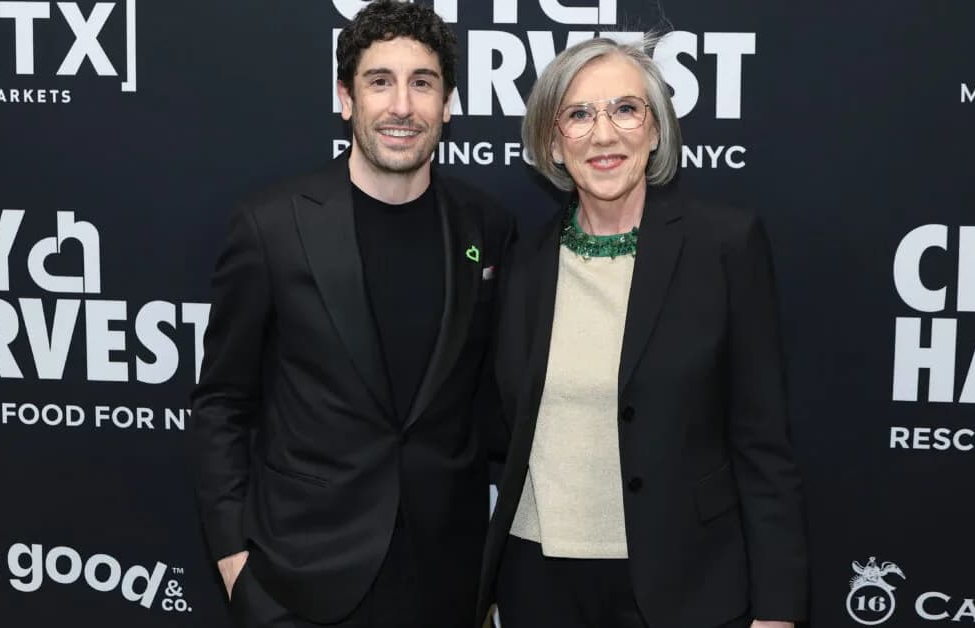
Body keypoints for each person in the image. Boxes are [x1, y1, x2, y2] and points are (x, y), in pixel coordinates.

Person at [190, 2, 513, 626]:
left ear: (447, 105)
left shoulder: (487, 227)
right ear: (346, 98)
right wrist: (236, 567)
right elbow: (222, 406)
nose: (401, 106)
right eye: (379, 81)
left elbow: (488, 401)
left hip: (447, 581)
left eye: (422, 83)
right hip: (303, 582)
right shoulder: (272, 227)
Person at [477, 37, 808, 628]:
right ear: (554, 143)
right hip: (538, 581)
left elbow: (762, 443)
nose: (604, 135)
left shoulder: (724, 247)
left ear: (655, 130)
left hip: (686, 580)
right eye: (578, 115)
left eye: (625, 110)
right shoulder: (522, 263)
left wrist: (778, 610)